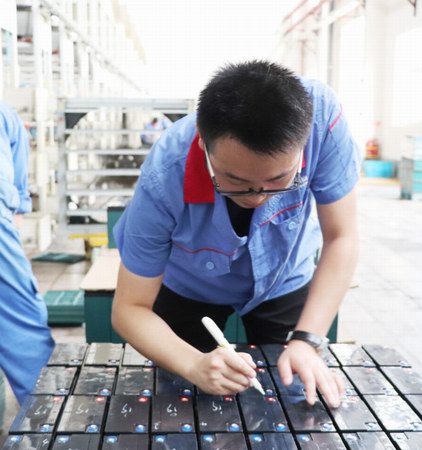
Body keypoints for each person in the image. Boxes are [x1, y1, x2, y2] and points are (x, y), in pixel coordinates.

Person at [112, 60, 360, 408]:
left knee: (292, 396)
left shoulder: (321, 120)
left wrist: (307, 340)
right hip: (188, 285)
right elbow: (129, 308)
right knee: (183, 401)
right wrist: (193, 364)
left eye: (278, 180)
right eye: (236, 181)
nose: (257, 197)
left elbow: (342, 237)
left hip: (283, 277)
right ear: (204, 144)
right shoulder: (165, 174)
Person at [0, 100, 55, 404]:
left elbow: (19, 200)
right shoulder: (7, 116)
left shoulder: (7, 118)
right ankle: (47, 419)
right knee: (23, 329)